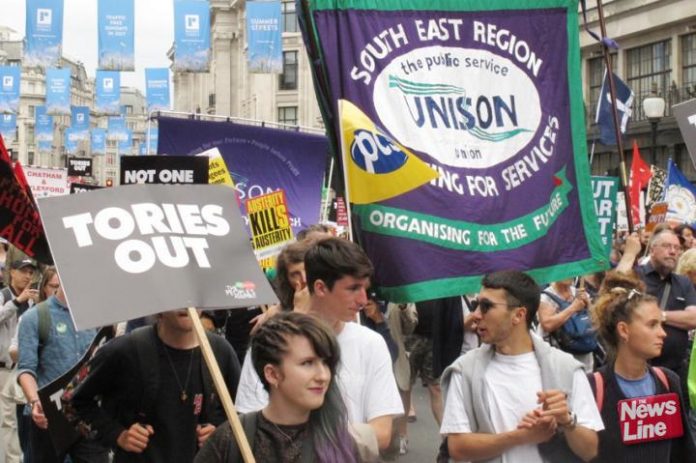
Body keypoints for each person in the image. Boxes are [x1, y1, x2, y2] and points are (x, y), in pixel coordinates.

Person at [235, 238, 404, 450]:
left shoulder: (371, 344)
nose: (363, 300)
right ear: (321, 287)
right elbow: (251, 426)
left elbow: (380, 434)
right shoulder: (270, 346)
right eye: (353, 288)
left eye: (365, 288)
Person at [440, 270, 603, 462]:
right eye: (476, 305)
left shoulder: (566, 368)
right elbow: (457, 447)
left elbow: (590, 450)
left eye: (486, 306)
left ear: (518, 315)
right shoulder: (464, 370)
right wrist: (521, 437)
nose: (475, 315)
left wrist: (567, 420)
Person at [70, 309, 242, 462]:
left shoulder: (220, 352)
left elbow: (242, 416)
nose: (185, 304)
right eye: (176, 294)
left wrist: (221, 433)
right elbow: (71, 401)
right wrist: (117, 435)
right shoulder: (126, 349)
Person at [195, 312, 369, 462]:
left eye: (326, 363)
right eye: (307, 363)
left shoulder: (340, 445)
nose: (323, 376)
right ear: (272, 374)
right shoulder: (232, 440)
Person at [588, 271, 696, 461]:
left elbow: (682, 452)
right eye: (652, 325)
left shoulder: (669, 381)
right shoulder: (592, 387)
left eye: (661, 324)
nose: (663, 333)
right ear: (624, 330)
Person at [16, 273, 109, 462]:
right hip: (48, 418)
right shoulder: (34, 317)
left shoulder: (96, 318)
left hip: (85, 415)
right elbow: (26, 369)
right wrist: (35, 401)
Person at [618, 229, 696, 383]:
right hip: (638, 371)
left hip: (675, 372)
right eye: (667, 246)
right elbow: (614, 291)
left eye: (677, 248)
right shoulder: (635, 276)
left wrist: (659, 316)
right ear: (652, 250)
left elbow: (693, 318)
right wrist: (630, 254)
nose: (673, 252)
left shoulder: (683, 282)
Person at [0, 258, 39, 462]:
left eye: (31, 272)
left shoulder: (32, 299)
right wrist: (16, 302)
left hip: (24, 368)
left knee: (25, 418)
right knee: (8, 423)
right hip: (4, 369)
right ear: (11, 272)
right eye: (23, 271)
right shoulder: (3, 295)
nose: (27, 276)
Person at [537, 278, 596, 372]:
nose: (568, 276)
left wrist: (588, 304)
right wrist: (573, 308)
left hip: (585, 360)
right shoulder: (545, 297)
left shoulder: (581, 293)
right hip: (558, 362)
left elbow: (596, 322)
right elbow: (547, 325)